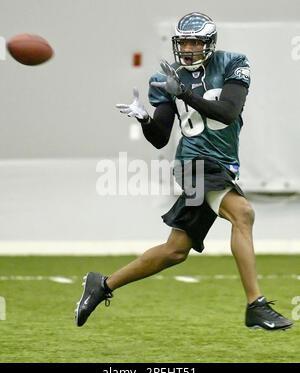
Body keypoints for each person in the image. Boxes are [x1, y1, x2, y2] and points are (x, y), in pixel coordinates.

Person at [75, 12, 293, 330]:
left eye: (195, 42)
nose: (188, 49)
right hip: (193, 166)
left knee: (175, 251)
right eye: (184, 42)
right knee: (242, 213)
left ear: (210, 44)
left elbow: (229, 112)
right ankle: (255, 305)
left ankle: (102, 284)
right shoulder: (167, 78)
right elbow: (161, 137)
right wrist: (144, 119)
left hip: (220, 165)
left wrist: (185, 94)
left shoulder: (233, 63)